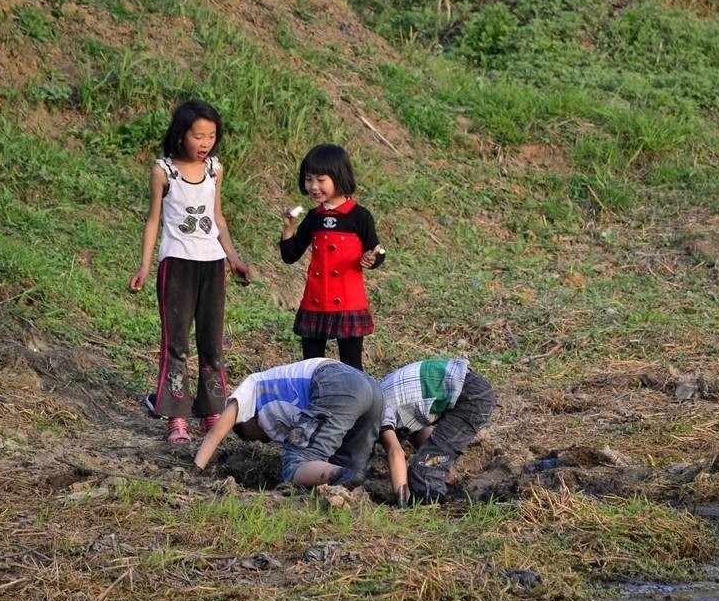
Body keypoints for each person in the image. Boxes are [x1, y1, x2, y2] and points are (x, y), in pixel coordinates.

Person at [129, 100, 251, 444]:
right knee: (176, 345)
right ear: (181, 134)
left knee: (212, 344)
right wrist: (144, 265)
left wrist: (234, 259)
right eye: (198, 135)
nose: (205, 143)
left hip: (212, 266)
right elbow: (153, 220)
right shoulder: (163, 171)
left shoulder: (215, 170)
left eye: (211, 136)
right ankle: (176, 417)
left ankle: (211, 411)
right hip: (177, 265)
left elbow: (218, 218)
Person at [193, 358, 383, 488]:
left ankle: (340, 474)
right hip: (370, 388)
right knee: (347, 464)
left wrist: (195, 470)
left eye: (254, 438)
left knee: (295, 464)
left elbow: (215, 433)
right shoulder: (277, 397)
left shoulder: (250, 388)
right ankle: (362, 482)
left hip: (336, 382)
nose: (263, 441)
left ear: (246, 421)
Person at [279, 143, 385, 371]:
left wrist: (371, 259)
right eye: (309, 179)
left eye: (320, 180)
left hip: (348, 301)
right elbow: (290, 255)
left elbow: (378, 249)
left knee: (352, 366)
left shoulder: (359, 216)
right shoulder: (313, 218)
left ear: (339, 177)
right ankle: (315, 402)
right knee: (311, 366)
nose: (314, 186)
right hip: (316, 299)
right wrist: (288, 229)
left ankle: (357, 404)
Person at [378, 358, 496, 503]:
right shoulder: (381, 394)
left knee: (424, 471)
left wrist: (401, 504)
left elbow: (395, 452)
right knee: (429, 461)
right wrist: (443, 465)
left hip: (469, 396)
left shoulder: (378, 412)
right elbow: (425, 439)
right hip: (471, 388)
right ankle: (452, 494)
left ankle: (432, 510)